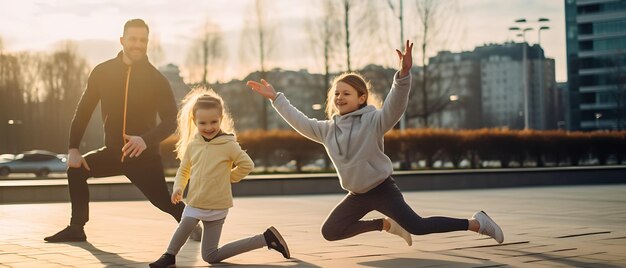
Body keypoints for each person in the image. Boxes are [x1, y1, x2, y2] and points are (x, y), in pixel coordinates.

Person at [247, 40, 504, 247]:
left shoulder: (373, 122)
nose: (339, 97)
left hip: (382, 190)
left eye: (346, 93)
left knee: (418, 226)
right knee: (330, 231)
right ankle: (383, 225)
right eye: (336, 93)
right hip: (356, 196)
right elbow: (299, 121)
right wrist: (276, 99)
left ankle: (477, 223)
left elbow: (395, 106)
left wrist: (403, 76)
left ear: (361, 98)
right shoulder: (327, 130)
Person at [44, 19, 201, 242]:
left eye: (143, 40)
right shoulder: (102, 72)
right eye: (133, 39)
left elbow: (170, 121)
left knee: (163, 201)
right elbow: (83, 111)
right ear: (122, 40)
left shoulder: (157, 80)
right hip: (113, 153)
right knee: (76, 170)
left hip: (143, 156)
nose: (138, 44)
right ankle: (77, 227)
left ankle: (190, 223)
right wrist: (73, 148)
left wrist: (145, 140)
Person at [149, 89, 290, 268]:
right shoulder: (193, 145)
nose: (209, 127)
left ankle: (265, 239)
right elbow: (184, 170)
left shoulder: (228, 144)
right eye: (203, 123)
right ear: (194, 121)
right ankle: (169, 256)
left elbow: (247, 165)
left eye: (214, 122)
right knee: (185, 226)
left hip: (217, 205)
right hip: (195, 201)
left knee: (210, 255)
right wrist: (178, 187)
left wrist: (228, 178)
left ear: (221, 118)